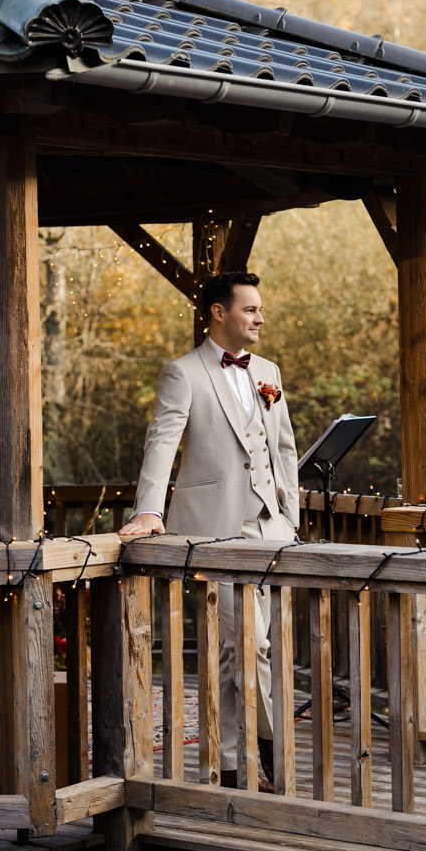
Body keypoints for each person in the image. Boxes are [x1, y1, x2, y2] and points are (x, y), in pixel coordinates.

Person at [120, 271, 298, 790]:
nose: (260, 318)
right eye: (250, 309)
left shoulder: (268, 371)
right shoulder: (183, 372)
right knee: (250, 645)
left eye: (261, 309)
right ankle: (261, 756)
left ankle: (230, 762)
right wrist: (150, 510)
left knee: (240, 650)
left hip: (272, 528)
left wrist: (291, 513)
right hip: (216, 530)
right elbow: (162, 443)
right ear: (219, 313)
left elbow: (283, 447)